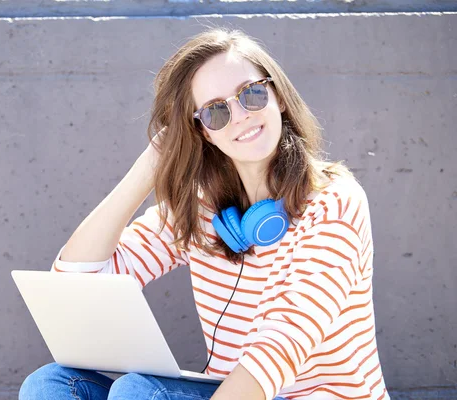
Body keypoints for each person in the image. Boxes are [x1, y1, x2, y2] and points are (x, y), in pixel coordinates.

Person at [19, 28, 389, 400]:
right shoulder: (204, 210)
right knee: (51, 384)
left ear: (278, 97)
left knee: (139, 392)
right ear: (203, 133)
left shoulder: (334, 202)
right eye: (215, 112)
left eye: (252, 93)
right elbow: (77, 281)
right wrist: (149, 168)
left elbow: (280, 346)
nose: (241, 116)